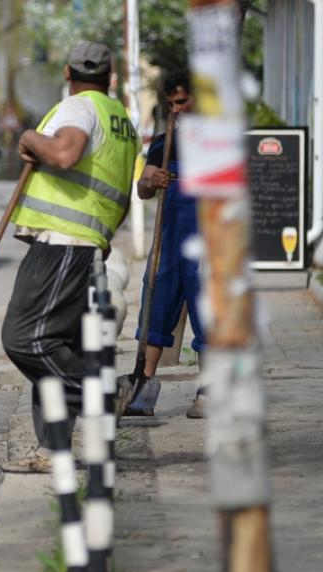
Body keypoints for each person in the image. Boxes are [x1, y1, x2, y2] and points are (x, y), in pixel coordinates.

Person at [0, 42, 139, 473]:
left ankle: (103, 396)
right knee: (55, 344)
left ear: (67, 72)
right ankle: (51, 450)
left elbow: (65, 154)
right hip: (88, 243)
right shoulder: (122, 121)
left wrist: (28, 136)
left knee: (26, 339)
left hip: (65, 242)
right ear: (111, 77)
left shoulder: (80, 109)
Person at [124, 70, 208, 419]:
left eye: (182, 102)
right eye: (171, 104)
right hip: (169, 239)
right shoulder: (163, 141)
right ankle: (142, 389)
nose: (177, 110)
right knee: (155, 306)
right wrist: (150, 180)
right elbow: (143, 188)